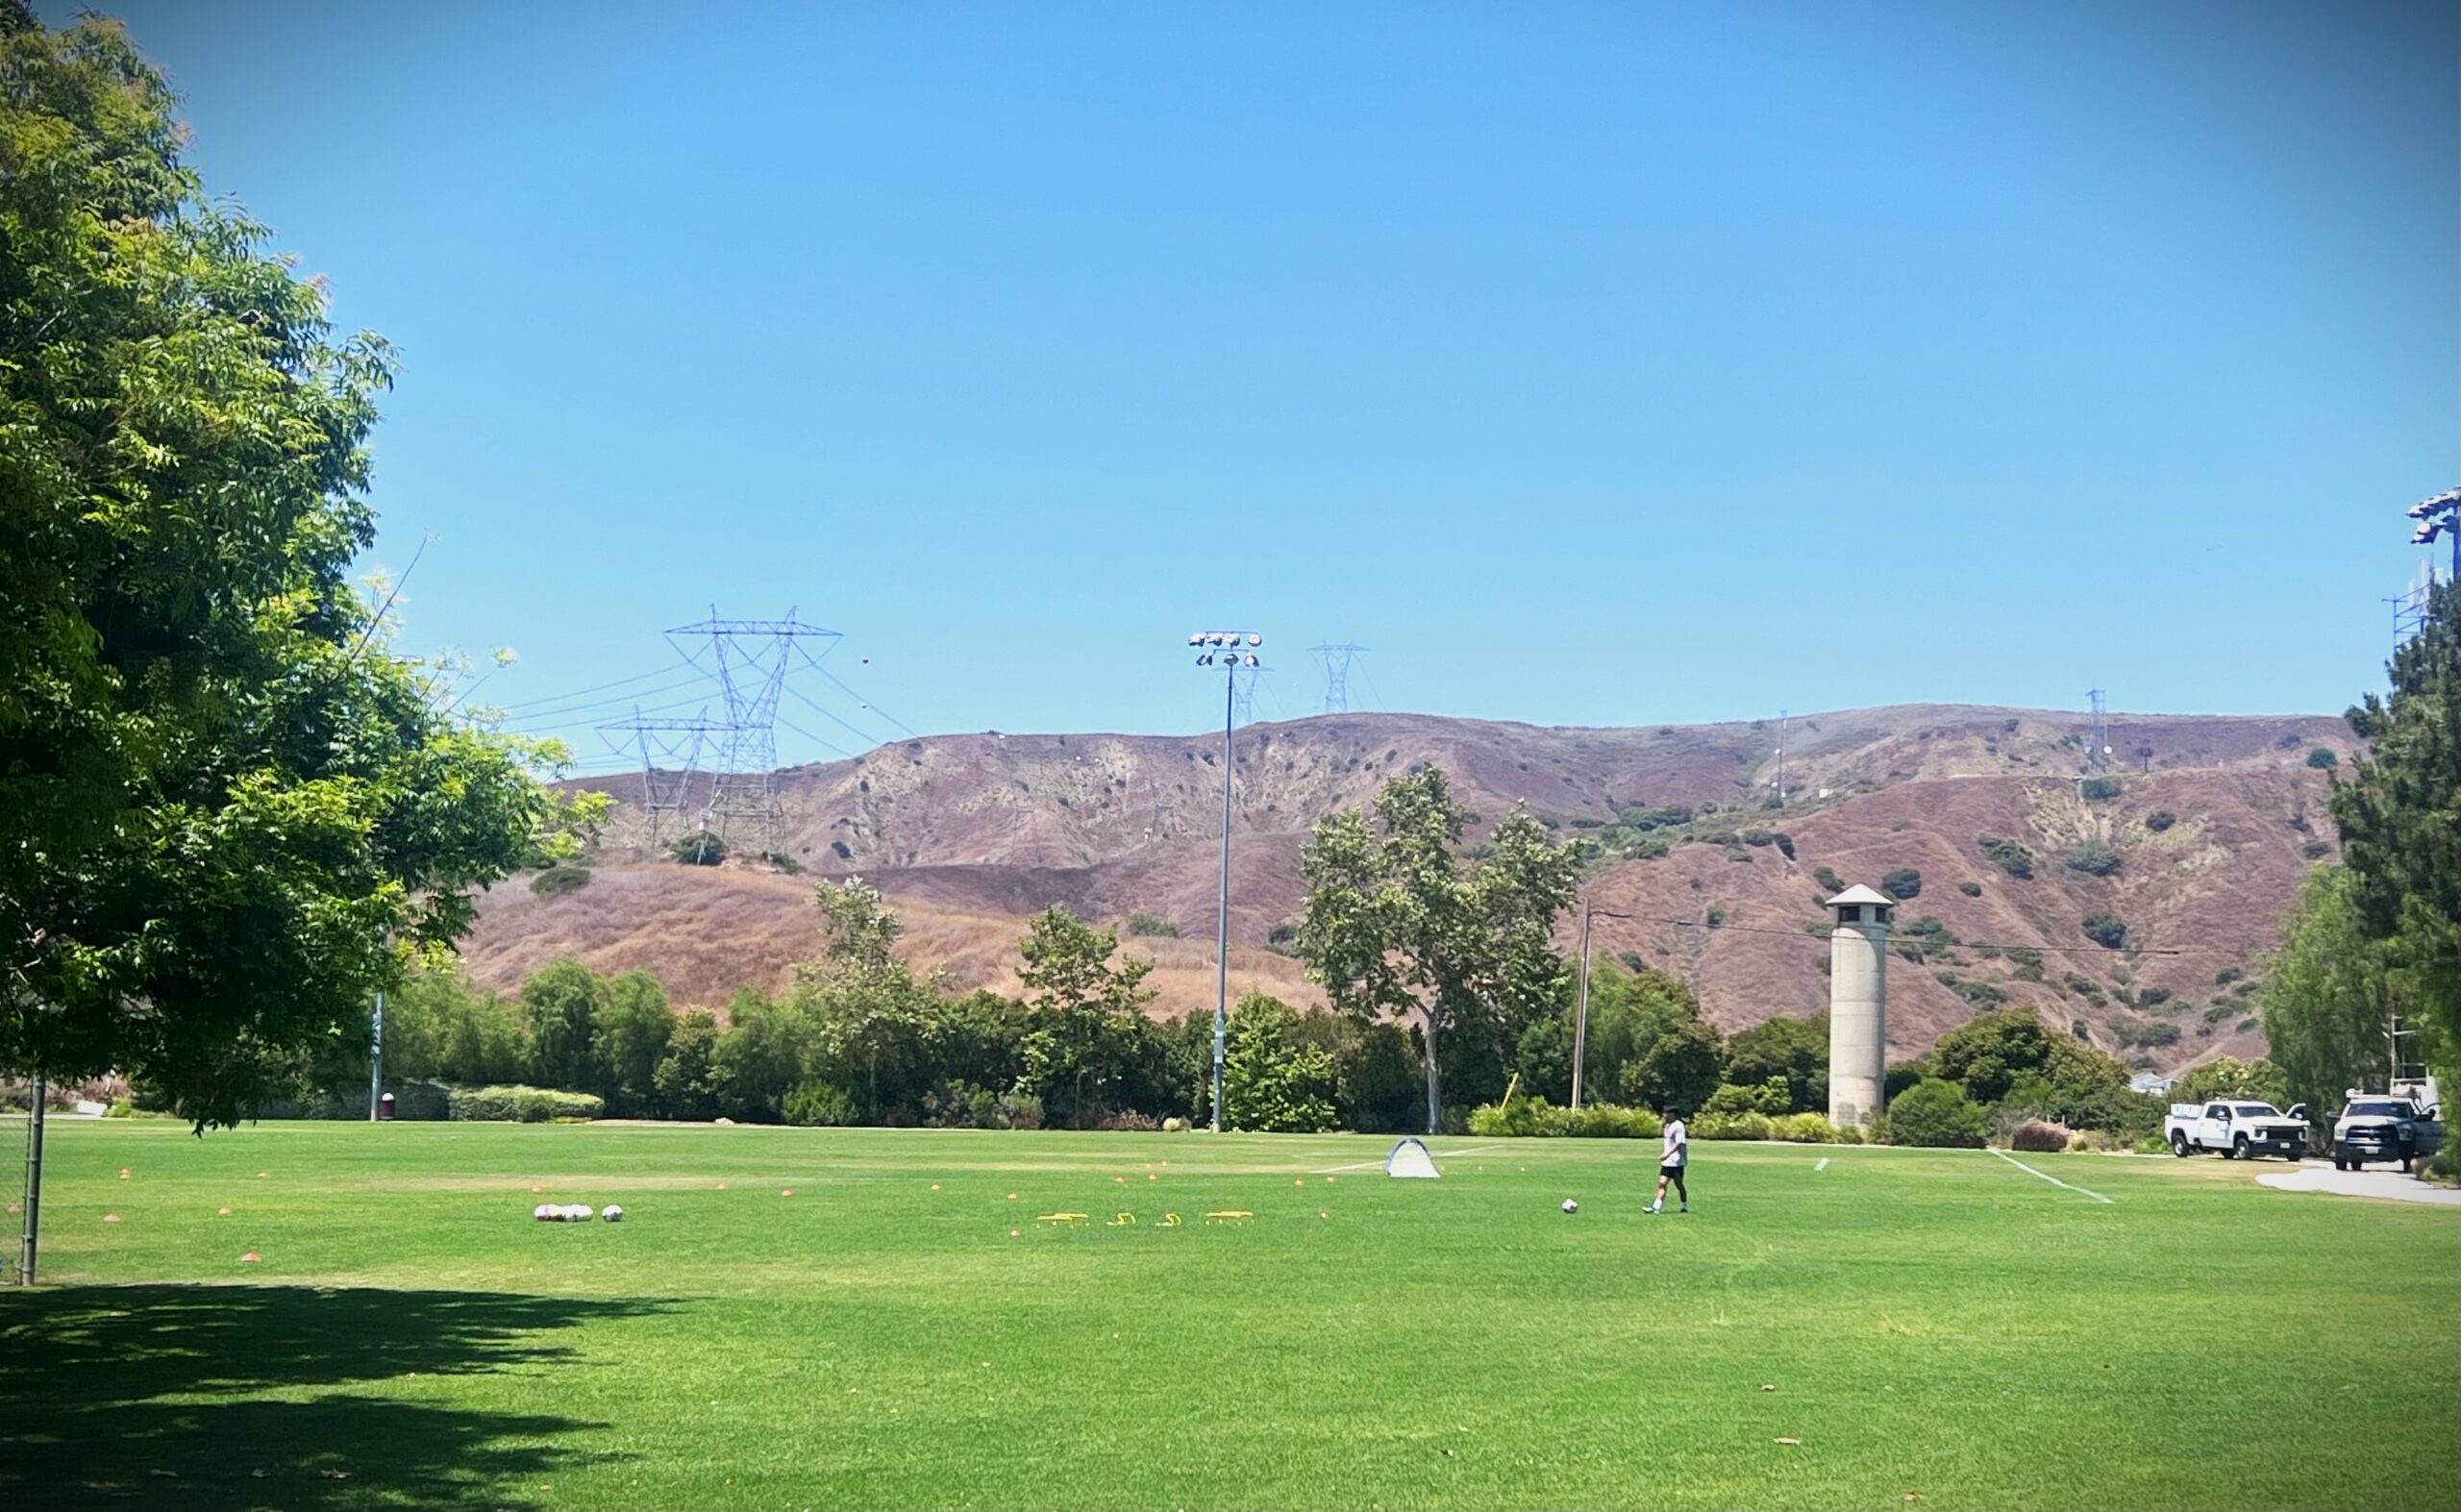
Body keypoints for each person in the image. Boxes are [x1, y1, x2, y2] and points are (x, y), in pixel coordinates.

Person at [1647, 1108, 1688, 1214]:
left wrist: (1667, 1154)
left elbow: (1679, 1143)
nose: (1664, 1115)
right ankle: (1656, 1207)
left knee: (1679, 1185)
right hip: (1667, 1162)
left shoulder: (1679, 1125)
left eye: (1667, 1113)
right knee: (1662, 1183)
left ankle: (1684, 1205)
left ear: (1673, 1114)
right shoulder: (1667, 1126)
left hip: (1677, 1161)